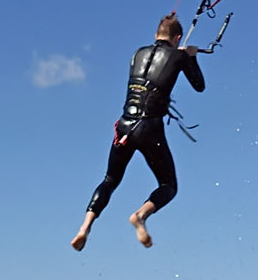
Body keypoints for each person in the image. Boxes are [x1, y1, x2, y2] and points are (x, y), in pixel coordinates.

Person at [71, 14, 205, 250]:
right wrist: (191, 58)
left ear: (156, 35)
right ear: (178, 38)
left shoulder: (137, 53)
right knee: (168, 185)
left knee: (110, 180)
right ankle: (140, 216)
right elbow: (199, 85)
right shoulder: (180, 55)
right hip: (149, 128)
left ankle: (84, 226)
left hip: (124, 125)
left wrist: (181, 54)